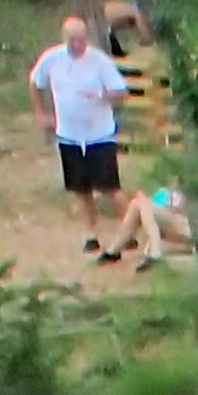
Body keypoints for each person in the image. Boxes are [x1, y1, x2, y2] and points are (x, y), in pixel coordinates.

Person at [30, 13, 134, 255]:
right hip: (69, 134)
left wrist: (99, 94)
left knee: (110, 187)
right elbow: (35, 82)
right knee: (81, 188)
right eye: (73, 40)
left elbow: (121, 92)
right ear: (65, 39)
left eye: (82, 39)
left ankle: (129, 229)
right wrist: (40, 113)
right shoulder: (52, 59)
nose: (78, 44)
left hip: (100, 133)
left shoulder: (98, 61)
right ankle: (91, 234)